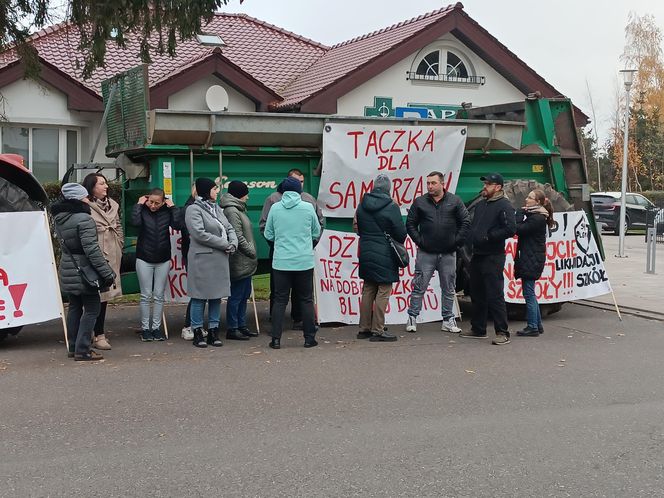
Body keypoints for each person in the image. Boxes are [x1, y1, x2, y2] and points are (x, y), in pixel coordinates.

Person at [52, 183, 115, 361]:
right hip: (85, 270)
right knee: (92, 309)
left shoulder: (60, 218)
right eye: (85, 196)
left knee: (74, 307)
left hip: (68, 267)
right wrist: (106, 273)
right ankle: (83, 349)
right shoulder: (84, 219)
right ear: (79, 199)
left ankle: (73, 346)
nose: (88, 199)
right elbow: (92, 250)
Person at [404, 171, 470, 334]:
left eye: (433, 183)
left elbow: (465, 221)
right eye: (428, 183)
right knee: (419, 286)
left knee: (448, 288)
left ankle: (448, 320)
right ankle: (412, 317)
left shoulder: (455, 201)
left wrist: (456, 242)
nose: (430, 186)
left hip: (448, 254)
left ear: (442, 184)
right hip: (426, 253)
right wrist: (420, 241)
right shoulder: (420, 202)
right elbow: (410, 223)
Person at [259, 168, 325, 328]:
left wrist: (312, 242)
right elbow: (264, 226)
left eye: (302, 182)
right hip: (281, 250)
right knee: (279, 291)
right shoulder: (273, 200)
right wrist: (276, 243)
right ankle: (277, 322)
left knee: (300, 292)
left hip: (297, 250)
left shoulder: (309, 199)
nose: (300, 185)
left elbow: (320, 222)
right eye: (297, 182)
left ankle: (298, 318)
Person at [460, 173, 516, 345]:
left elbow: (510, 229)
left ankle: (502, 332)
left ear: (497, 187)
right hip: (478, 255)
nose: (485, 187)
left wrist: (488, 237)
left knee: (495, 294)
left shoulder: (504, 205)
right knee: (477, 293)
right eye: (485, 184)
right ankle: (478, 328)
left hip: (493, 256)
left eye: (488, 184)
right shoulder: (483, 204)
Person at [185, 177, 238, 348]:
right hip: (202, 258)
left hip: (220, 258)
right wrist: (225, 244)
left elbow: (229, 227)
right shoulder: (193, 209)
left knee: (217, 295)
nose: (217, 192)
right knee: (199, 296)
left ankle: (214, 330)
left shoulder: (216, 208)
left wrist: (234, 242)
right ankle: (198, 330)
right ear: (206, 191)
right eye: (214, 189)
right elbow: (199, 233)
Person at [354, 174, 407, 342]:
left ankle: (364, 328)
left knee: (368, 289)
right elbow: (400, 234)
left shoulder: (362, 205)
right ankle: (378, 330)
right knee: (384, 290)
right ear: (388, 189)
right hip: (385, 254)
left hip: (366, 251)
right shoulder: (392, 206)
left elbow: (358, 228)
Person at [131, 188, 183, 342]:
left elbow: (178, 225)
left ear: (163, 202)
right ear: (146, 199)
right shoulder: (143, 209)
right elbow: (135, 222)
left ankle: (156, 328)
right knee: (146, 295)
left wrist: (173, 207)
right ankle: (145, 329)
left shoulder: (167, 211)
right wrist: (138, 206)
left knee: (159, 295)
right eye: (150, 202)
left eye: (157, 203)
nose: (153, 205)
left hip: (163, 258)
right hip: (144, 257)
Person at [82, 172, 123, 351]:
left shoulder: (113, 205)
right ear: (91, 187)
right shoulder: (84, 206)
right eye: (101, 184)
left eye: (106, 183)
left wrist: (119, 243)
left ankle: (99, 334)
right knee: (93, 296)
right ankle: (92, 333)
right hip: (95, 254)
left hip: (112, 252)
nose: (105, 186)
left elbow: (118, 226)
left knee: (105, 296)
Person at [221, 180, 258, 340]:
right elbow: (237, 235)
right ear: (239, 194)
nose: (248, 197)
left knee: (244, 295)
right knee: (236, 295)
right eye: (246, 193)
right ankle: (232, 327)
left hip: (245, 260)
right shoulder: (232, 211)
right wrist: (251, 251)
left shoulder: (238, 209)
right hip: (239, 259)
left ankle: (241, 325)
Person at [515, 189, 554, 337]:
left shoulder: (536, 219)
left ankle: (532, 326)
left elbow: (519, 229)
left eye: (530, 198)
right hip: (532, 258)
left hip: (531, 260)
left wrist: (519, 214)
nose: (526, 199)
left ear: (537, 202)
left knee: (529, 293)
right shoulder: (537, 217)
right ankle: (537, 324)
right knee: (530, 293)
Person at [180, 184, 198, 341]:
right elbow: (190, 234)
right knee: (197, 291)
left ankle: (196, 325)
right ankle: (189, 325)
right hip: (194, 254)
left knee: (202, 292)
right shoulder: (189, 209)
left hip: (200, 254)